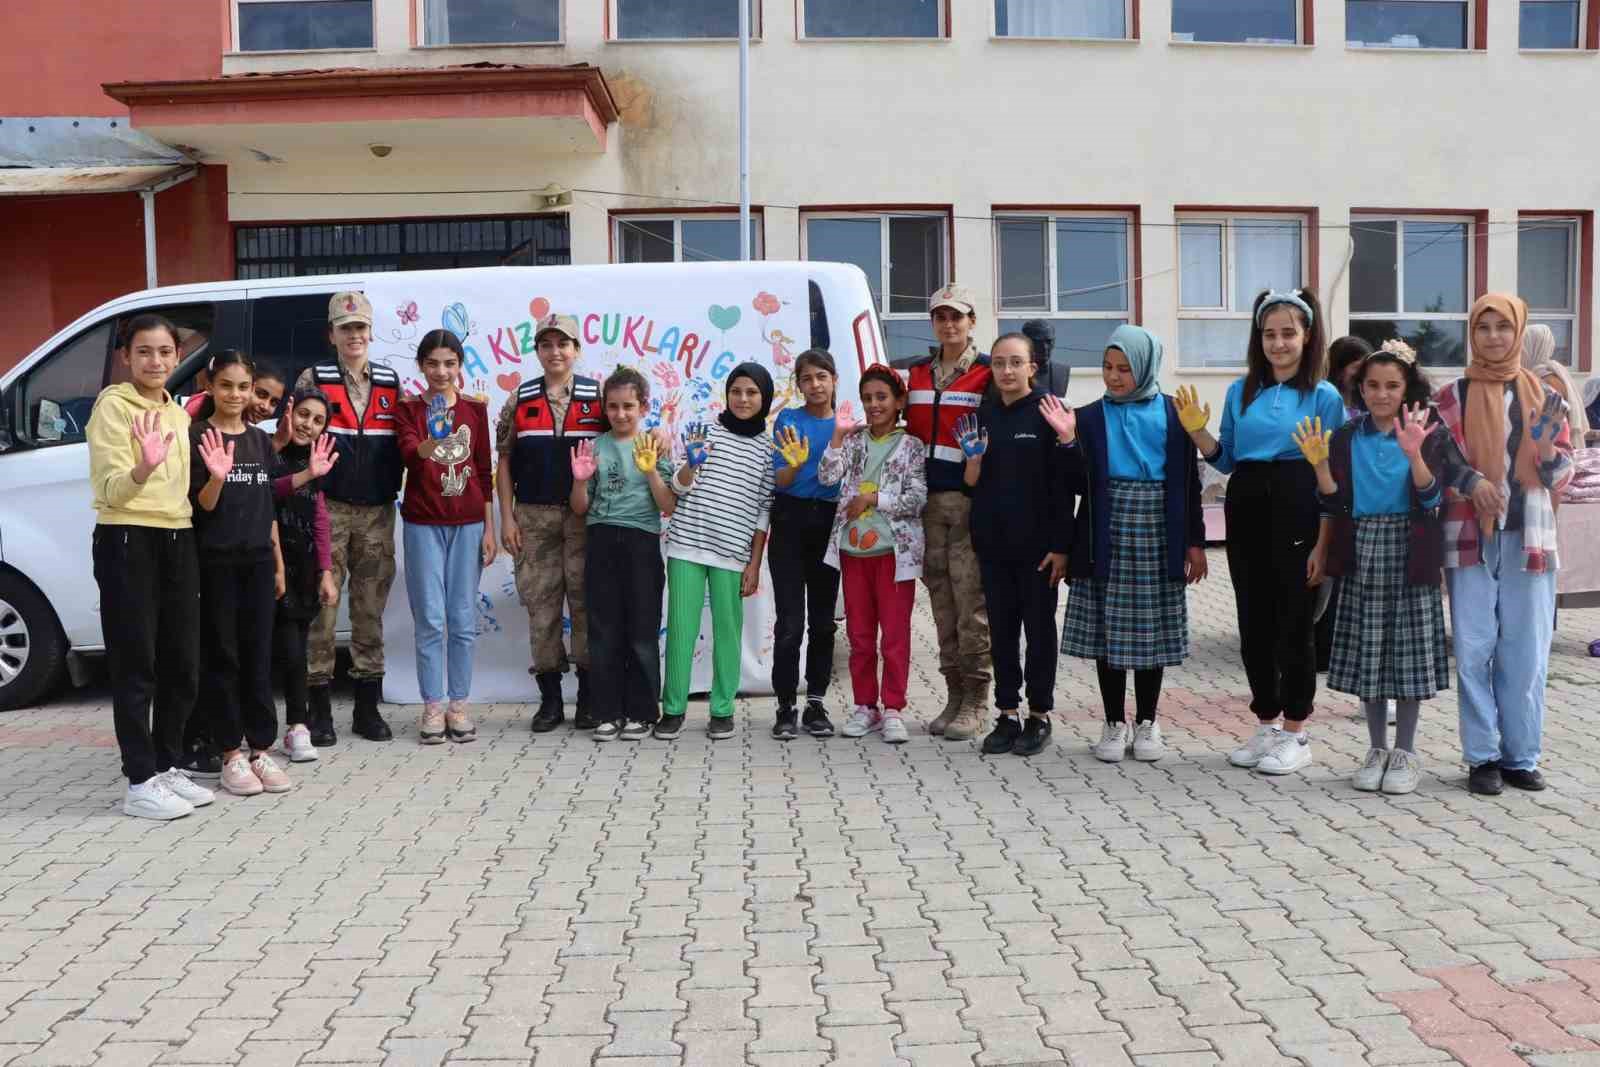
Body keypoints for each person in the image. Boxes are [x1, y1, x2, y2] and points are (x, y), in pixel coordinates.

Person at [1175, 289, 1344, 775]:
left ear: (1307, 336)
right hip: (1247, 504)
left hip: (1298, 503)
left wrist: (1324, 541)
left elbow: (1332, 475)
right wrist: (1198, 432)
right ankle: (1267, 723)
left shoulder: (1325, 396)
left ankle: (1296, 731)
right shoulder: (1239, 390)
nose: (1278, 343)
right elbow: (1224, 458)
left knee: (1294, 622)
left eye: (1288, 333)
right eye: (1269, 334)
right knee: (1253, 621)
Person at [1295, 345, 1455, 795]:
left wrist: (1414, 454)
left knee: (1406, 658)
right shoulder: (1346, 437)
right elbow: (1334, 501)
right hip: (1361, 550)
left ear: (1408, 389)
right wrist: (1320, 465)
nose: (1381, 394)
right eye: (1372, 385)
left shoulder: (1424, 429)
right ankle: (1376, 748)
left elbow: (1431, 499)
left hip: (1410, 550)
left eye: (1392, 386)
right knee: (1370, 655)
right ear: (1359, 389)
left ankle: (1406, 751)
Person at [1435, 294, 1574, 795]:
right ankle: (1482, 757)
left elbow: (1563, 474)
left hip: (1529, 537)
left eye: (1503, 327)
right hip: (1469, 534)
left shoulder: (1544, 392)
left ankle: (1521, 756)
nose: (1494, 336)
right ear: (1471, 333)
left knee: (1527, 650)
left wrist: (1543, 448)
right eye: (1483, 327)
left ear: (1519, 331)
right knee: (1474, 647)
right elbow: (1438, 452)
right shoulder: (1451, 393)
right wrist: (1472, 482)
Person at [1058, 327, 1206, 764]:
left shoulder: (1177, 414)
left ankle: (1147, 721)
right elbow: (1070, 484)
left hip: (1159, 529)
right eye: (1107, 367)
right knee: (1109, 633)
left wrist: (1194, 543)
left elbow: (1189, 484)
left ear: (1144, 367)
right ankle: (1112, 722)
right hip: (1105, 529)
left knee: (1148, 632)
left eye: (1124, 368)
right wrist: (1066, 441)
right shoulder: (1085, 418)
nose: (1114, 376)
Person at [88, 314, 215, 819]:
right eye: (144, 352)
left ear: (178, 356)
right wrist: (143, 466)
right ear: (126, 357)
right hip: (127, 536)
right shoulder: (113, 408)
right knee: (136, 663)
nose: (156, 361)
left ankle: (166, 764)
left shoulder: (178, 414)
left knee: (182, 662)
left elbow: (183, 490)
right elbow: (109, 489)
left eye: (165, 352)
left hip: (177, 535)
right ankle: (139, 780)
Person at [956, 334, 1070, 757]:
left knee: (1039, 632)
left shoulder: (1049, 413)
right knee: (1002, 632)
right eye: (1000, 363)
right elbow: (970, 488)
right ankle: (1007, 713)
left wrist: (1061, 546)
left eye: (1015, 363)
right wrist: (973, 463)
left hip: (1039, 549)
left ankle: (1039, 716)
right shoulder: (983, 415)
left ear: (1032, 367)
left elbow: (1066, 487)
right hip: (993, 544)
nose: (1006, 371)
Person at [296, 292, 403, 742]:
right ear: (332, 334)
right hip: (329, 509)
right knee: (323, 607)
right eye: (345, 328)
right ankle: (318, 708)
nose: (354, 335)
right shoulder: (313, 378)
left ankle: (366, 708)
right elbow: (297, 436)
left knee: (369, 608)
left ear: (371, 331)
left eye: (360, 328)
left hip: (377, 510)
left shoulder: (389, 380)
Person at [178, 358, 293, 776]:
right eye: (226, 386)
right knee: (224, 657)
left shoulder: (261, 442)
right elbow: (202, 506)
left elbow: (269, 509)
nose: (236, 395)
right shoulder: (196, 436)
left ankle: (261, 747)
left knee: (260, 656)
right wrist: (217, 477)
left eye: (244, 387)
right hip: (217, 563)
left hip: (259, 563)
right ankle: (230, 752)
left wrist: (278, 564)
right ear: (210, 385)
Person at [496, 313, 604, 733]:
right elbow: (503, 461)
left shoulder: (597, 398)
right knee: (541, 608)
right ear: (537, 350)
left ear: (576, 350)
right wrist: (506, 517)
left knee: (585, 605)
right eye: (546, 344)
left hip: (584, 518)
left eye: (563, 344)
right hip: (533, 517)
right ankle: (551, 701)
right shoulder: (520, 399)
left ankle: (589, 700)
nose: (555, 351)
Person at [659, 364, 777, 740]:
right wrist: (690, 468)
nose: (743, 399)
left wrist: (754, 564)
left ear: (765, 398)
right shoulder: (705, 432)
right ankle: (673, 710)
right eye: (736, 391)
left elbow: (763, 511)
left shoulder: (768, 448)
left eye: (752, 392)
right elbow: (677, 488)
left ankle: (722, 710)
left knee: (729, 633)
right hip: (686, 547)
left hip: (732, 554)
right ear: (727, 394)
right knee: (681, 631)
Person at [397, 330, 496, 744]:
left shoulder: (475, 410)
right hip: (423, 523)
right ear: (421, 365)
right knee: (431, 620)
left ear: (460, 365)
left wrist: (491, 528)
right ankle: (432, 706)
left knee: (461, 619)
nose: (442, 372)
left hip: (469, 523)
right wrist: (432, 440)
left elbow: (483, 469)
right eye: (434, 363)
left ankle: (459, 704)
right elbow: (407, 454)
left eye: (450, 363)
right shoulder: (408, 409)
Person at [819, 365, 927, 745]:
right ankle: (866, 706)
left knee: (894, 636)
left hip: (894, 555)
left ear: (899, 401)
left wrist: (873, 498)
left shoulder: (913, 446)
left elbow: (917, 498)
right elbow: (827, 477)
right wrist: (836, 436)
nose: (874, 404)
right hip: (852, 551)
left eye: (882, 397)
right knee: (860, 636)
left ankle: (894, 707)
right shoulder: (852, 442)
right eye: (868, 398)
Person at [904, 284, 993, 739]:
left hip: (967, 504)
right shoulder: (916, 373)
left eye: (957, 316)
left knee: (970, 603)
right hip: (925, 505)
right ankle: (953, 693)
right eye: (940, 316)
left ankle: (977, 699)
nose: (949, 324)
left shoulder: (985, 373)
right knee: (940, 601)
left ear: (971, 321)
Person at [570, 366, 676, 741]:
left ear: (643, 406)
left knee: (642, 631)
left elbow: (668, 505)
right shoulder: (596, 447)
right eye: (613, 406)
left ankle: (643, 711)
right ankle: (606, 712)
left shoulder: (654, 444)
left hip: (642, 543)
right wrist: (580, 481)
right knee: (604, 631)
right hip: (601, 541)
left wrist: (650, 473)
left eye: (628, 406)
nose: (620, 414)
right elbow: (580, 508)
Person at [768, 349, 842, 741]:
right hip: (789, 521)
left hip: (829, 524)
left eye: (821, 377)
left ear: (833, 380)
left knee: (823, 622)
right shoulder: (789, 419)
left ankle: (816, 702)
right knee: (790, 623)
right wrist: (795, 465)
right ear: (798, 384)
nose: (815, 385)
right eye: (807, 378)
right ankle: (785, 705)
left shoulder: (845, 425)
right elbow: (780, 480)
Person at [270, 390, 341, 758]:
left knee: (297, 651)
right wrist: (306, 474)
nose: (307, 425)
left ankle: (298, 726)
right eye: (303, 414)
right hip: (264, 566)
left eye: (318, 421)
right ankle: (251, 733)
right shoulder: (265, 449)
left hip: (302, 569)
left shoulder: (316, 460)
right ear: (289, 411)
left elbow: (320, 519)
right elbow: (267, 492)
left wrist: (326, 572)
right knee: (260, 652)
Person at [1521, 323, 1590, 444]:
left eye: (1523, 347)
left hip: (1552, 448)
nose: (1519, 353)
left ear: (1532, 348)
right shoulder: (1554, 372)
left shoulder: (1544, 381)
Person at [1327, 336, 1375, 419]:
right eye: (1358, 367)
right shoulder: (1326, 405)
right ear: (1338, 369)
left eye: (1367, 368)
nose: (1364, 373)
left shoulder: (1369, 405)